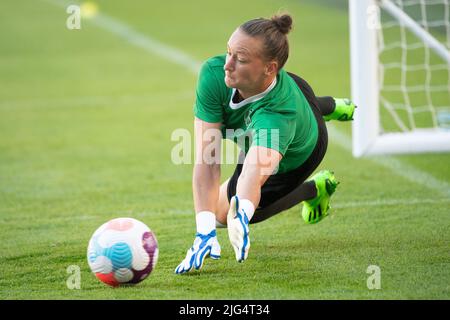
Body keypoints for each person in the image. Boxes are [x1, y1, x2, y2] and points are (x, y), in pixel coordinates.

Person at [175, 14, 356, 274]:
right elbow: (208, 157)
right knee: (212, 215)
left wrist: (243, 214)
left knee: (224, 215)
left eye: (240, 59)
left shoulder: (278, 117)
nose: (227, 64)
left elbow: (254, 174)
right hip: (296, 89)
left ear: (270, 68)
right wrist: (203, 232)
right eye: (228, 52)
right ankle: (330, 105)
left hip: (300, 152)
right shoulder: (213, 75)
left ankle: (314, 190)